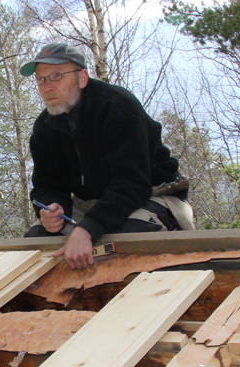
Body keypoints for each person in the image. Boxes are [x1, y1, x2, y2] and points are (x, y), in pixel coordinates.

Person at [22, 43, 194, 270]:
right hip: (91, 203)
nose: (48, 86)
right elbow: (46, 185)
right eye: (41, 79)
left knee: (125, 241)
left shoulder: (118, 108)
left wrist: (88, 228)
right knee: (36, 242)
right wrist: (52, 208)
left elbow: (133, 183)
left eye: (57, 76)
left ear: (82, 78)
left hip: (151, 194)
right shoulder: (45, 127)